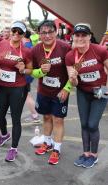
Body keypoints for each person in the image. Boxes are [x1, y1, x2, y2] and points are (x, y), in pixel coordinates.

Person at [65, 23, 108, 168]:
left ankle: (94, 155)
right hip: (83, 92)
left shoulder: (100, 51)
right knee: (84, 124)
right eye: (77, 35)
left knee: (92, 124)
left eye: (84, 35)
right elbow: (75, 84)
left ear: (90, 36)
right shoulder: (70, 56)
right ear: (73, 37)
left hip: (100, 92)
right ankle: (86, 153)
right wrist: (73, 78)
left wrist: (106, 88)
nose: (81, 38)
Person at [31, 20, 71, 165]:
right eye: (43, 33)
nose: (47, 35)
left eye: (50, 32)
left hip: (60, 92)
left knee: (58, 119)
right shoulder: (35, 49)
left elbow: (73, 72)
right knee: (46, 117)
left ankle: (57, 149)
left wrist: (67, 89)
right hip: (43, 91)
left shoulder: (65, 47)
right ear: (39, 34)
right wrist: (41, 71)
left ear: (55, 32)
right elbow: (32, 72)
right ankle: (47, 143)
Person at [0, 21, 32, 162]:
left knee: (16, 119)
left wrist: (23, 69)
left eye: (20, 32)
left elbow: (30, 69)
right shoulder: (2, 44)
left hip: (18, 88)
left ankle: (14, 149)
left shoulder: (26, 50)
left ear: (23, 34)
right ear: (11, 30)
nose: (16, 34)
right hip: (2, 86)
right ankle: (4, 135)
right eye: (14, 30)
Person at [22, 30, 40, 123]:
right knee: (25, 95)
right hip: (29, 73)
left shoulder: (25, 46)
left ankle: (35, 115)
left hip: (26, 73)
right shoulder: (31, 45)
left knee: (27, 95)